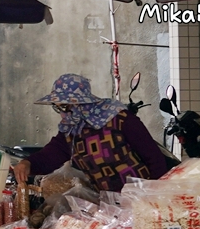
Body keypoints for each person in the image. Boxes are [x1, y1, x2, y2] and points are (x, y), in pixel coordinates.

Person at [12, 74, 169, 193]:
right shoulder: (71, 131)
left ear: (80, 104)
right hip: (110, 202)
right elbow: (50, 156)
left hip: (142, 195)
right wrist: (27, 164)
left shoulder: (120, 119)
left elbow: (154, 158)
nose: (61, 114)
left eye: (64, 108)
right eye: (57, 107)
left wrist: (156, 195)